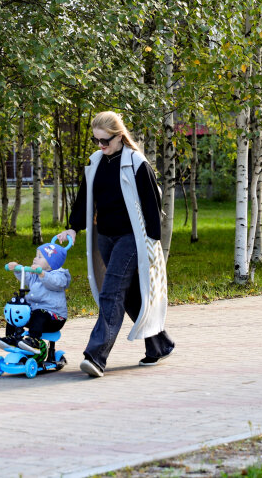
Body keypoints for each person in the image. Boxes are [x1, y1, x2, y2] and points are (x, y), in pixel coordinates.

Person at [59, 111, 174, 378]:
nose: (100, 146)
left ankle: (96, 356)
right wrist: (74, 228)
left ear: (119, 136)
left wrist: (152, 244)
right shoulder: (96, 162)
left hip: (132, 238)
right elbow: (84, 198)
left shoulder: (136, 163)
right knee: (129, 293)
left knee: (110, 293)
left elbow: (152, 205)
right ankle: (160, 344)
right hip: (106, 237)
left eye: (105, 141)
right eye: (96, 140)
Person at [0, 241, 71, 354]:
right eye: (36, 255)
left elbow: (56, 283)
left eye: (40, 256)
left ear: (51, 263)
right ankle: (11, 338)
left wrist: (43, 275)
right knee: (16, 311)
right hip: (37, 314)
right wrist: (17, 268)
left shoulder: (60, 275)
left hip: (54, 318)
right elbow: (26, 278)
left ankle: (34, 341)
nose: (35, 259)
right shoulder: (36, 273)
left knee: (39, 313)